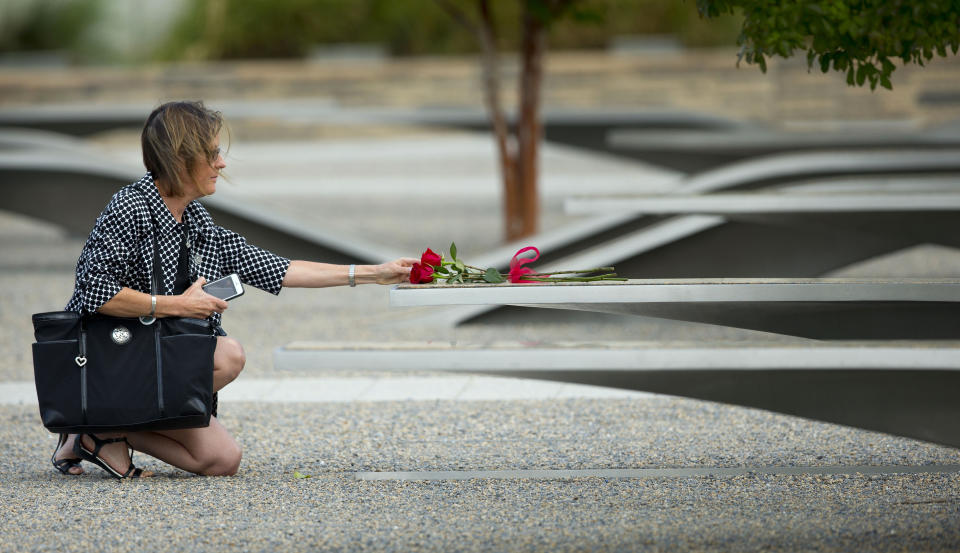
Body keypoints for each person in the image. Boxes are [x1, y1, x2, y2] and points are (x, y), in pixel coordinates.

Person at [50, 100, 416, 478]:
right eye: (212, 154)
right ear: (180, 158)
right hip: (110, 359)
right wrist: (175, 305)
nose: (221, 164)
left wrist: (377, 273)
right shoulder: (130, 206)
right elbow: (94, 293)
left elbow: (282, 268)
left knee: (222, 461)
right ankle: (98, 417)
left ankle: (97, 431)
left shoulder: (196, 220)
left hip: (155, 362)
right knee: (227, 354)